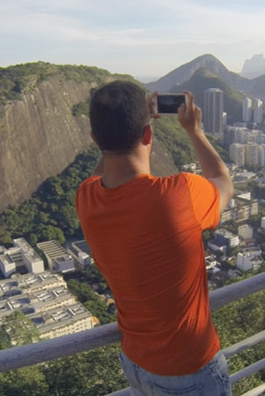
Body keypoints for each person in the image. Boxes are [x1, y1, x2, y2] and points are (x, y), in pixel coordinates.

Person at [75, 81, 234, 396]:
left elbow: (98, 177)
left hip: (135, 364)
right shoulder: (178, 194)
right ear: (148, 135)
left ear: (95, 140)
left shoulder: (86, 199)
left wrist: (121, 132)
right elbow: (223, 184)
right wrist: (194, 131)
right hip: (189, 367)